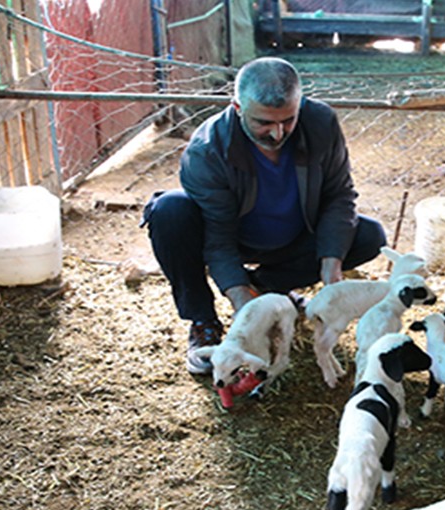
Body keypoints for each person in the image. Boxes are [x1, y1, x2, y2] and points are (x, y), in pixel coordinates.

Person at [143, 57, 385, 375]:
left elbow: (339, 196)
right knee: (169, 212)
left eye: (288, 120)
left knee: (369, 236)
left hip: (295, 236)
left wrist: (331, 267)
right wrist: (243, 304)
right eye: (263, 123)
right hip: (232, 235)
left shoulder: (321, 122)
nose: (277, 134)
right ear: (238, 108)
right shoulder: (207, 149)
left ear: (300, 104)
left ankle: (267, 287)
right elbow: (218, 238)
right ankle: (204, 322)